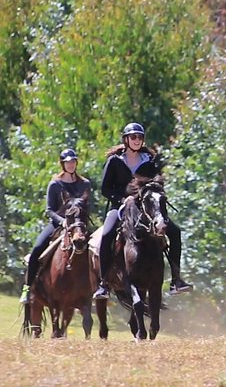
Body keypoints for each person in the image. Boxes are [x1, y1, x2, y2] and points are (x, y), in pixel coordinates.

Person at [92, 122, 192, 299]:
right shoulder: (114, 161)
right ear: (126, 139)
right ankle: (103, 283)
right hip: (121, 207)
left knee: (175, 232)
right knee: (107, 234)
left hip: (146, 209)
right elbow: (105, 189)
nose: (137, 140)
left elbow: (157, 183)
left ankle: (176, 280)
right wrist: (123, 198)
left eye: (140, 137)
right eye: (133, 137)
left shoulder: (149, 160)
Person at [19, 149, 92, 304]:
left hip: (79, 224)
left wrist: (79, 224)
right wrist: (63, 222)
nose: (71, 165)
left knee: (98, 248)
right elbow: (49, 210)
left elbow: (86, 207)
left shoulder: (85, 184)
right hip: (58, 224)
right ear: (63, 164)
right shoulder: (55, 184)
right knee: (37, 249)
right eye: (68, 162)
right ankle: (27, 289)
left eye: (73, 162)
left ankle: (100, 286)